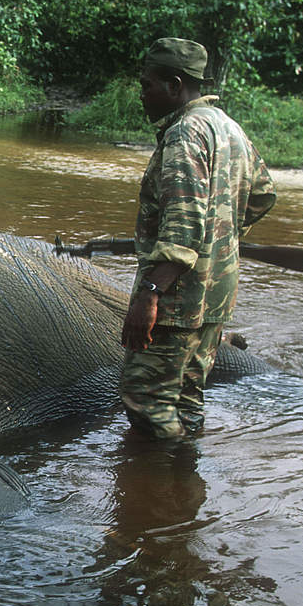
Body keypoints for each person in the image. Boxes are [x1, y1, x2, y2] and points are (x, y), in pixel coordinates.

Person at [120, 37, 276, 438]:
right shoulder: (228, 126)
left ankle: (153, 495)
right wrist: (224, 241)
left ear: (174, 85)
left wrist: (150, 293)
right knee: (187, 399)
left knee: (147, 399)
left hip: (177, 297)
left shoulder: (185, 134)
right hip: (216, 294)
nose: (142, 95)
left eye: (147, 85)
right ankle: (185, 491)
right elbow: (262, 193)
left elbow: (184, 227)